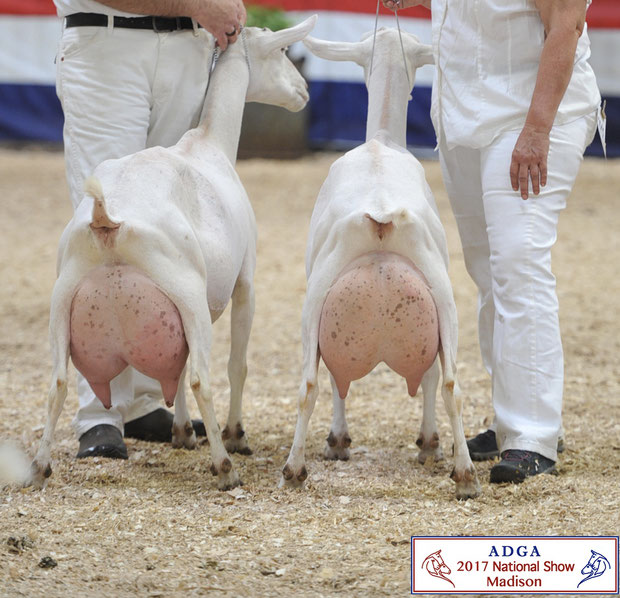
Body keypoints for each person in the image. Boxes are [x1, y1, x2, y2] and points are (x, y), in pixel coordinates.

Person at [383, 0, 601, 482]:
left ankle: (533, 435)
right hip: (464, 114)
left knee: (518, 262)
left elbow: (566, 25)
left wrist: (538, 129)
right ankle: (510, 420)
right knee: (487, 270)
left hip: (534, 113)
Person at [53, 0, 246, 459]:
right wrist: (203, 5)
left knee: (167, 231)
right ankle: (98, 414)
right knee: (105, 221)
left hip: (186, 46)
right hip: (109, 45)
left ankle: (141, 398)